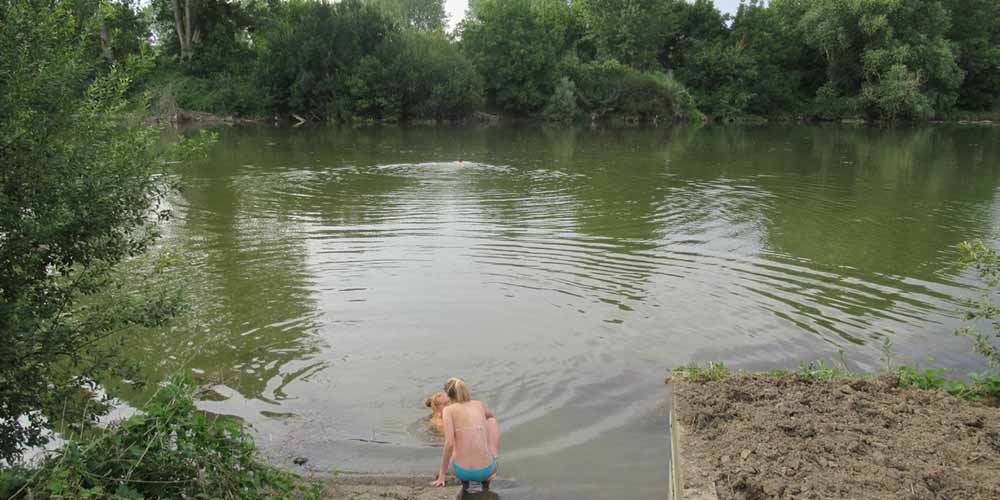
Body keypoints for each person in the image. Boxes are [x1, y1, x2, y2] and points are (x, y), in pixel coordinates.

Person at [430, 377, 500, 491]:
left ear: (448, 396)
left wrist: (442, 474)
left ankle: (465, 483)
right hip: (486, 471)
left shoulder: (448, 410)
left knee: (453, 439)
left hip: (461, 471)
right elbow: (491, 416)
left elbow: (449, 444)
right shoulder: (479, 404)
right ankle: (487, 481)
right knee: (492, 422)